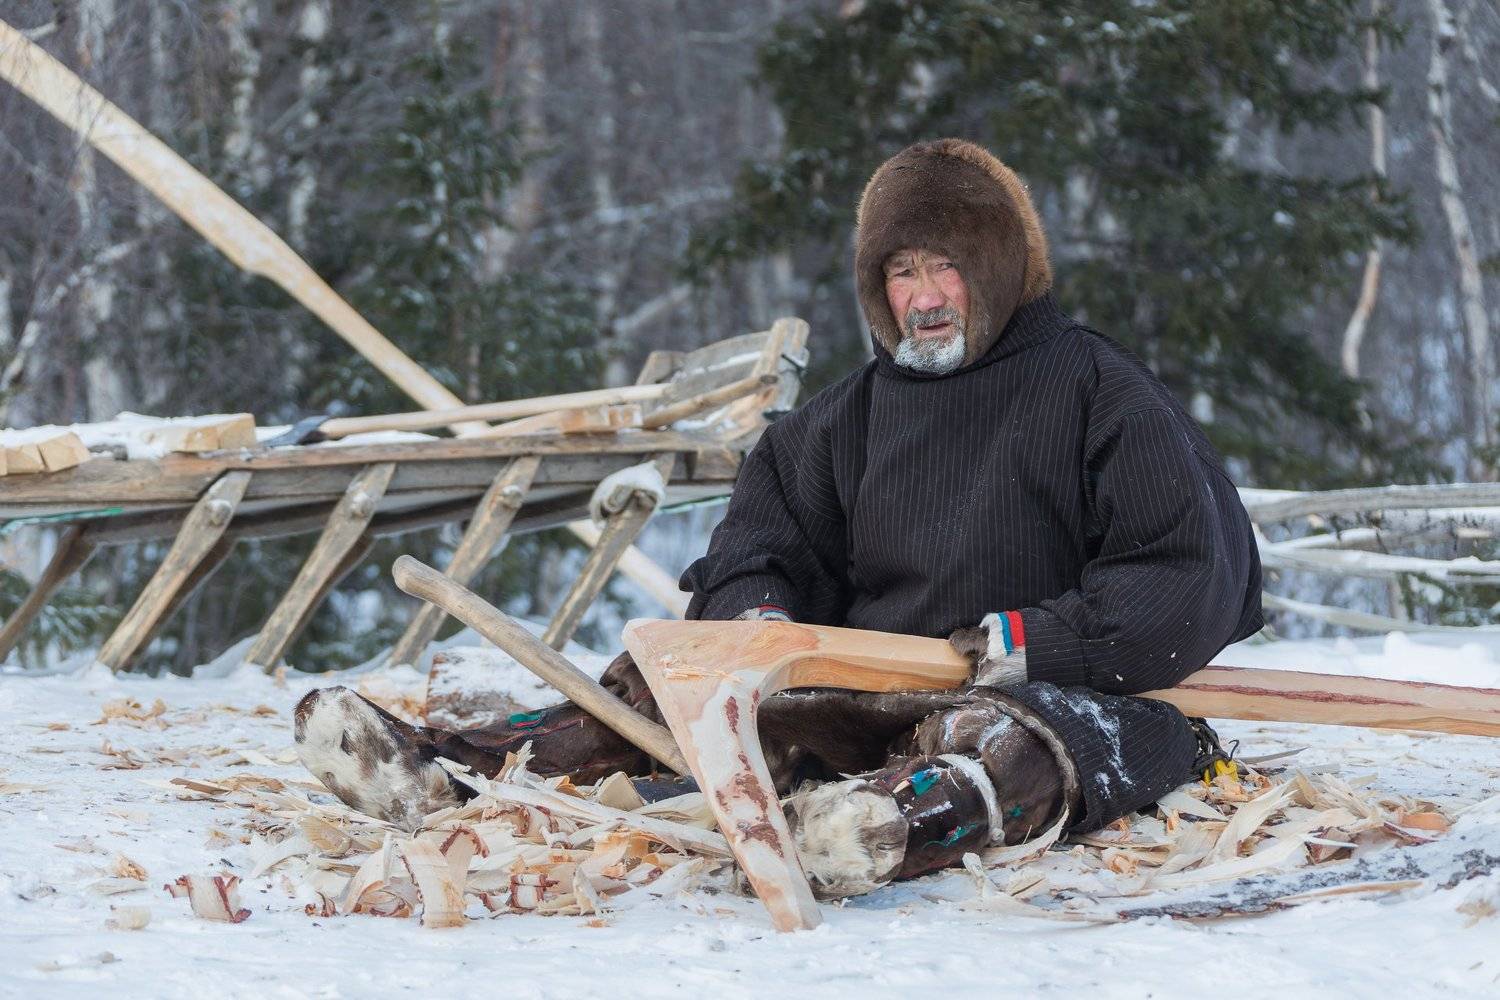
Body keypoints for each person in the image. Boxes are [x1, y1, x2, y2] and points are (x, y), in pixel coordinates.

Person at [296, 138, 1263, 900]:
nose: (924, 298)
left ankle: (875, 832)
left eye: (948, 268)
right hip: (862, 691)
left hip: (1032, 690)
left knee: (1017, 744)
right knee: (669, 677)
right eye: (901, 272)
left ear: (1003, 267)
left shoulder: (1101, 393)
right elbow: (756, 550)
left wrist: (1035, 642)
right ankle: (458, 774)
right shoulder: (839, 423)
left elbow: (1184, 571)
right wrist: (753, 626)